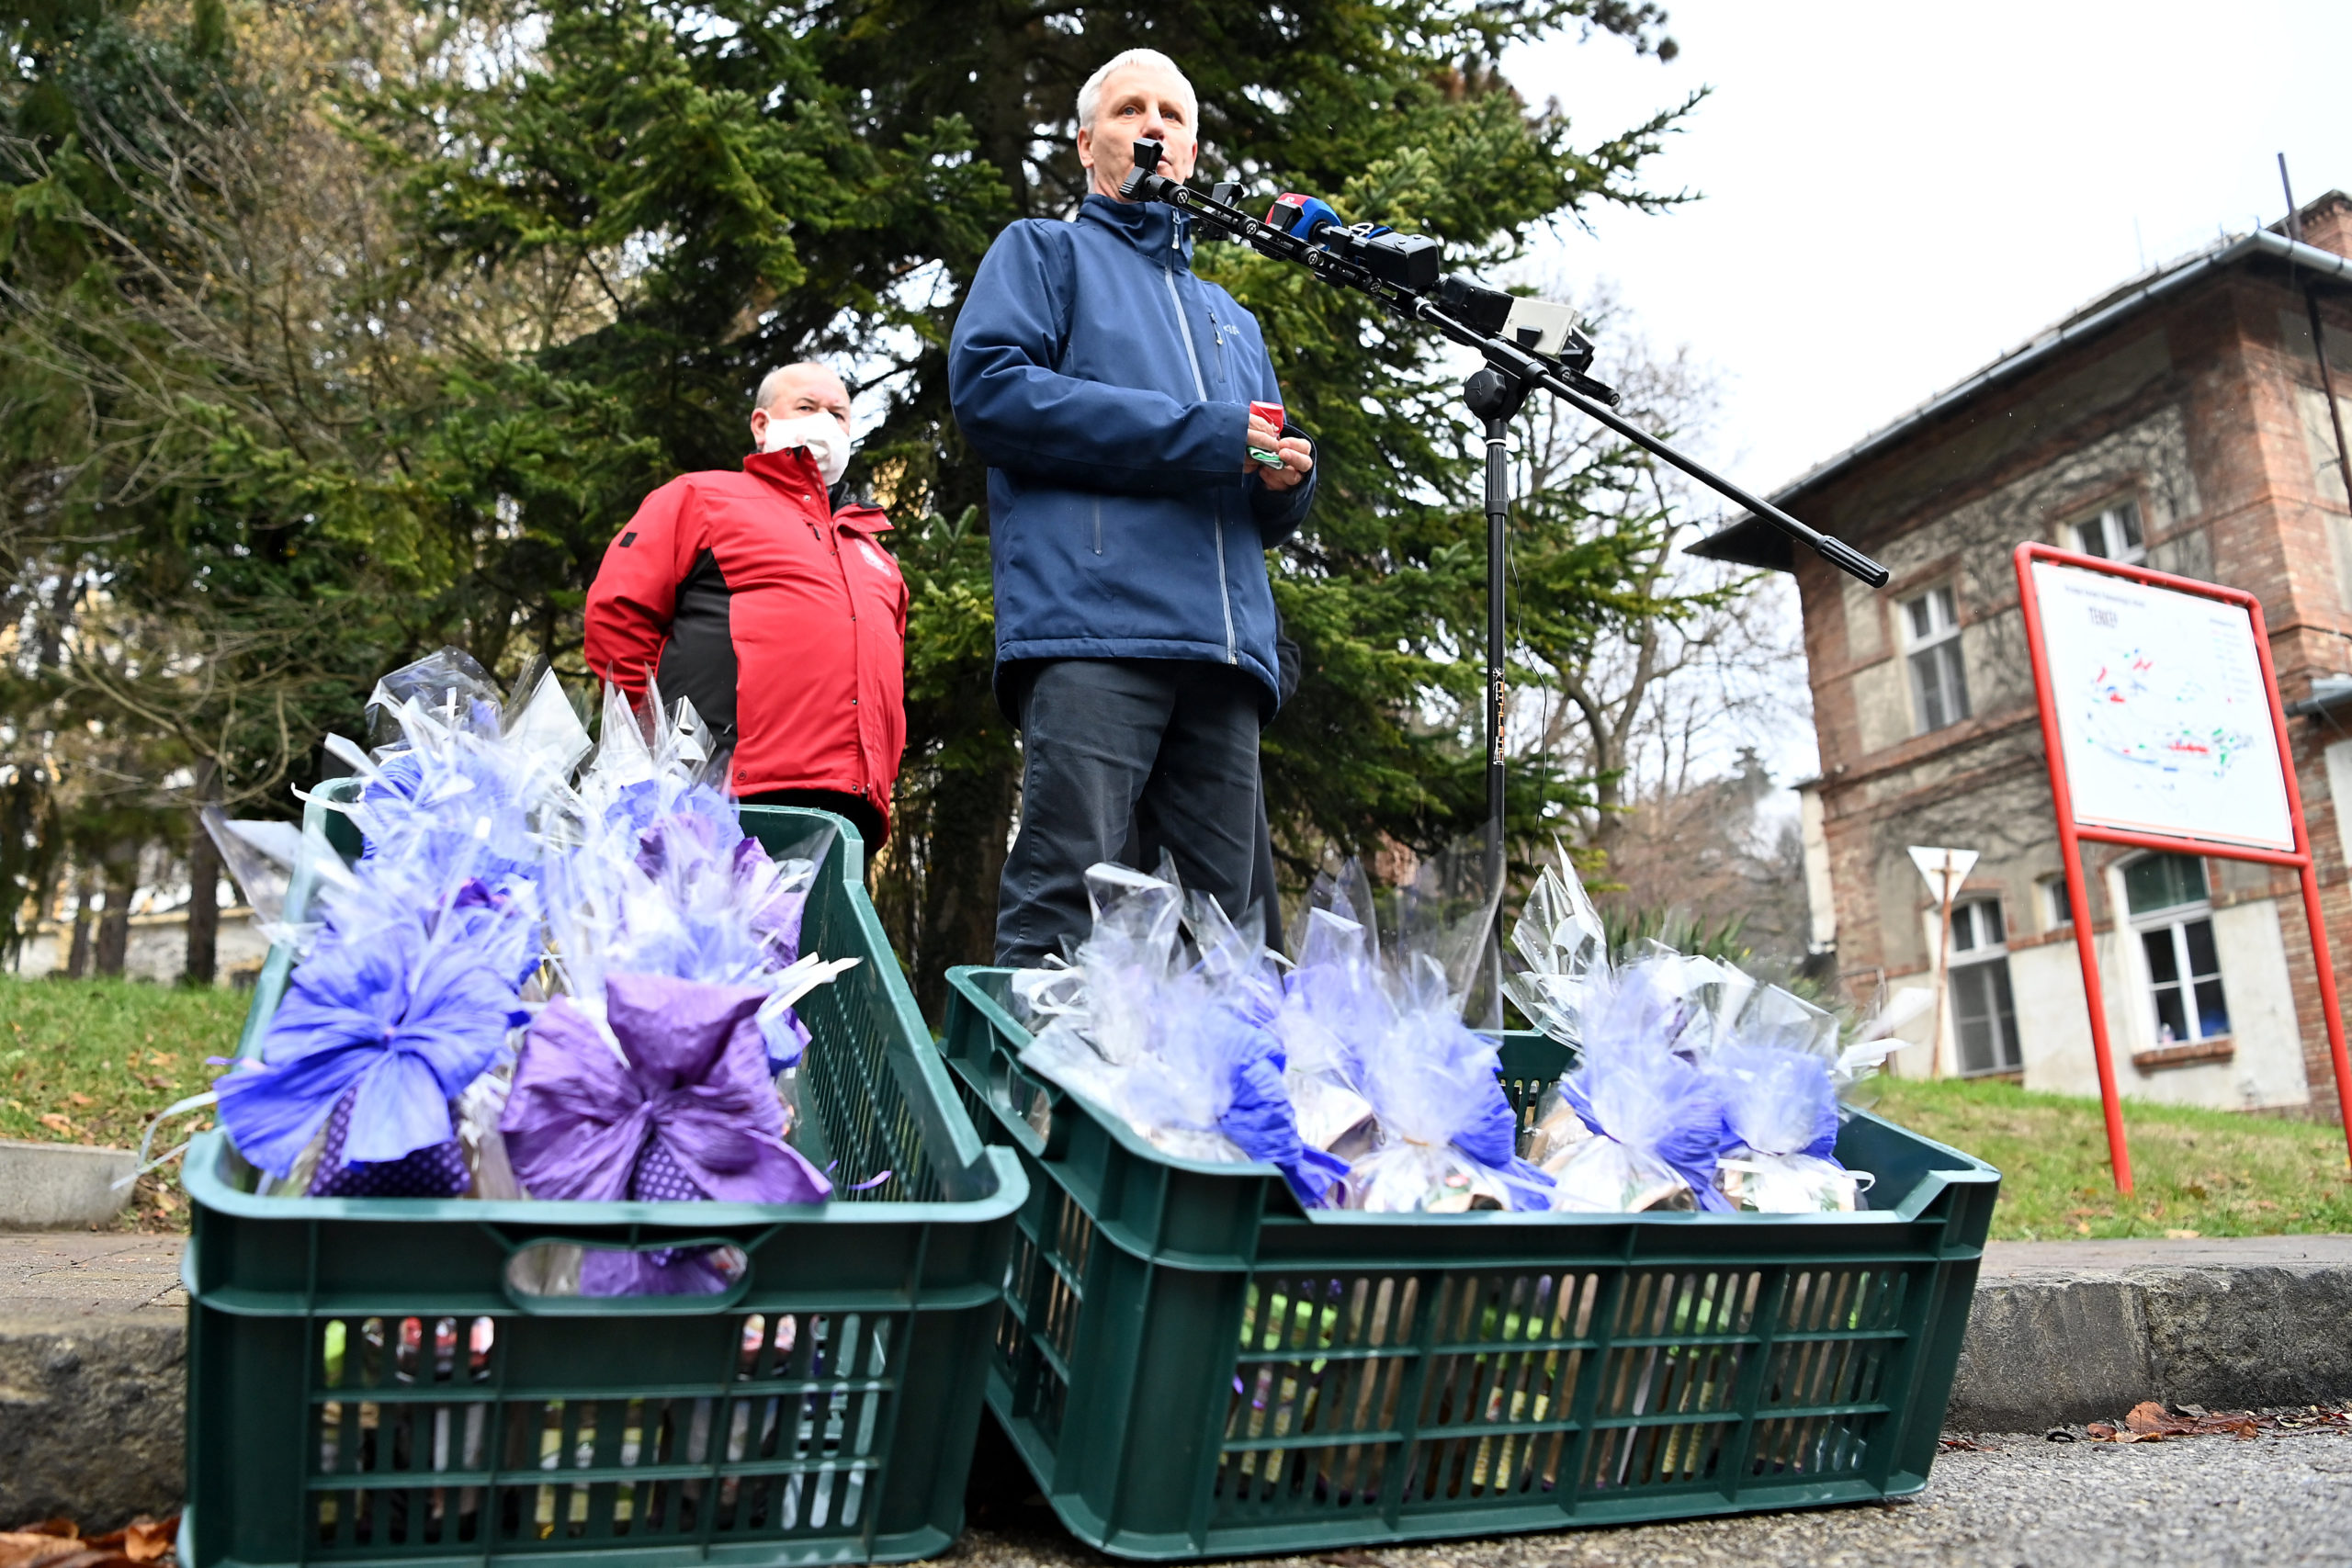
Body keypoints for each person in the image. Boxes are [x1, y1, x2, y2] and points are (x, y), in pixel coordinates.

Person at [949, 47, 1317, 964]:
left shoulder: (1234, 319)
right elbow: (993, 392)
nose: (1154, 125)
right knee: (1065, 910)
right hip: (1094, 633)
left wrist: (1284, 481)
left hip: (1223, 656)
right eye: (1129, 109)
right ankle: (1027, 1111)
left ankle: (1218, 1114)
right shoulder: (1043, 253)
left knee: (1235, 945)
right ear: (1085, 143)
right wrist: (1206, 436)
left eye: (1174, 114)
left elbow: (1255, 508)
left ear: (1191, 150)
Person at [583, 362, 907, 850]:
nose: (825, 422)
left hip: (851, 811)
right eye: (806, 407)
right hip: (723, 798)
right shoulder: (701, 498)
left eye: (838, 414)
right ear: (761, 424)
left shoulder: (873, 551)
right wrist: (655, 745)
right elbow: (618, 613)